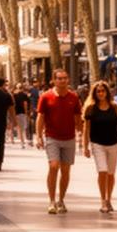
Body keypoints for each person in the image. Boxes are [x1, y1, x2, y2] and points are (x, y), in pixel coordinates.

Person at [35, 70, 83, 215]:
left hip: (69, 138)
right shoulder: (46, 97)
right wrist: (38, 136)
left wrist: (80, 134)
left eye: (65, 78)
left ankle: (61, 200)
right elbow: (40, 117)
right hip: (52, 137)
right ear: (54, 80)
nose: (62, 81)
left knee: (66, 171)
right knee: (54, 166)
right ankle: (51, 201)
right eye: (60, 79)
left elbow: (78, 118)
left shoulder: (74, 97)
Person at [82, 80, 117, 214]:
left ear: (107, 92)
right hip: (97, 144)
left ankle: (109, 199)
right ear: (94, 93)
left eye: (103, 91)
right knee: (103, 170)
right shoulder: (91, 108)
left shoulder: (115, 107)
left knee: (111, 174)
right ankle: (102, 201)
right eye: (98, 91)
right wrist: (85, 146)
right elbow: (86, 129)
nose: (101, 93)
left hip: (114, 143)